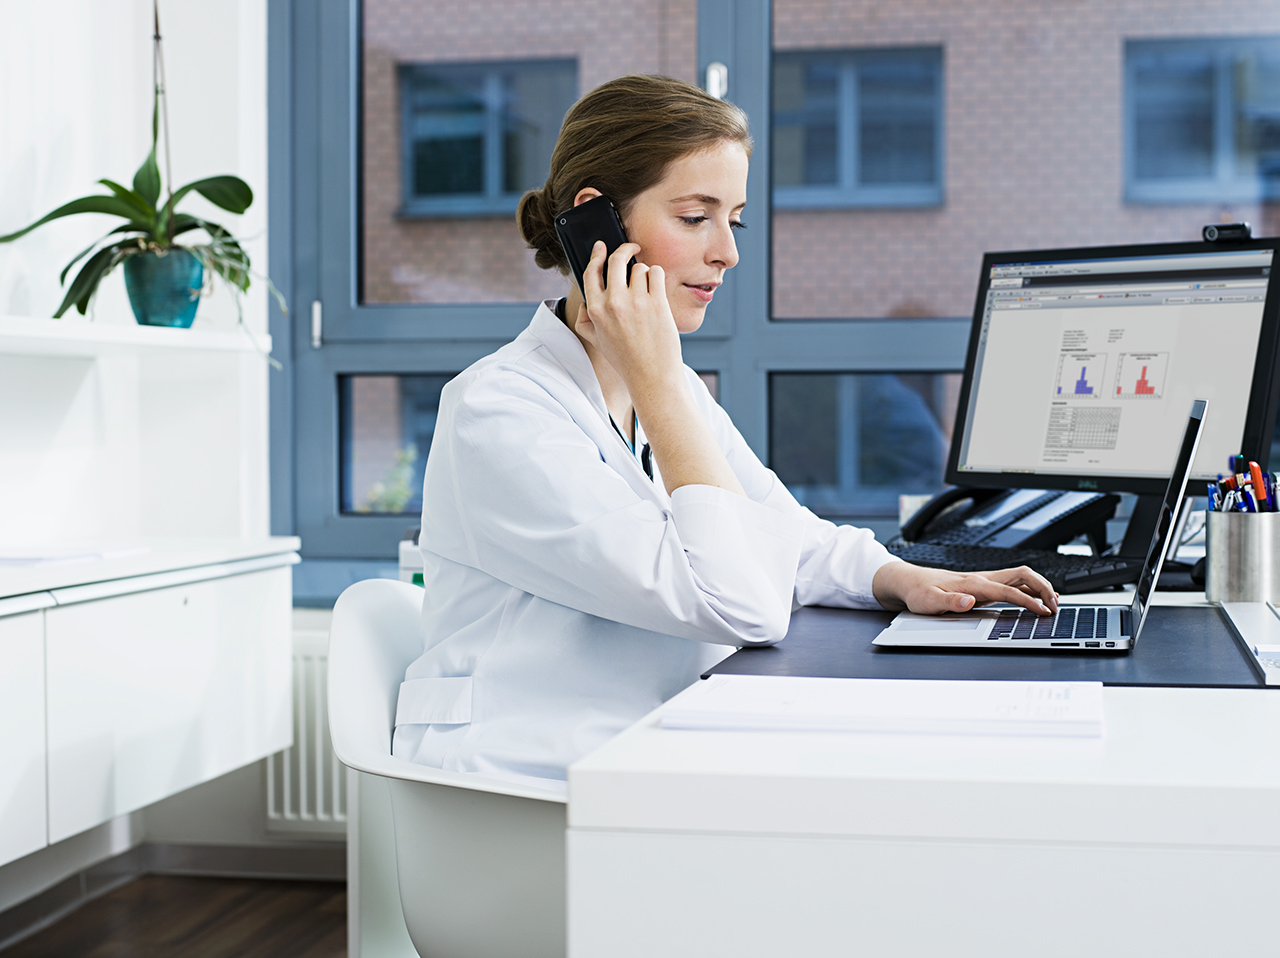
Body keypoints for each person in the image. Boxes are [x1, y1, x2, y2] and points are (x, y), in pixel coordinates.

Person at [392, 74, 1057, 790]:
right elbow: (737, 604)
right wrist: (658, 383)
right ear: (596, 224)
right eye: (693, 217)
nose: (727, 254)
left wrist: (904, 579)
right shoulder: (499, 412)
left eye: (732, 221)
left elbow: (782, 533)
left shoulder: (667, 395)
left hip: (640, 753)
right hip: (525, 790)